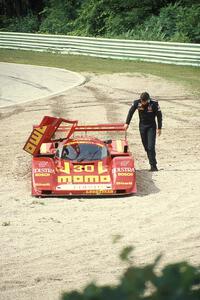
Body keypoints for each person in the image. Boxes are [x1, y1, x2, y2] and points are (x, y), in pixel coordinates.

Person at [124, 92, 162, 171]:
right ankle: (151, 161)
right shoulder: (137, 103)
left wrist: (159, 128)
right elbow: (130, 112)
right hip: (142, 126)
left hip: (151, 126)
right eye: (142, 101)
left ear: (148, 100)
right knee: (146, 147)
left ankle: (153, 166)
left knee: (151, 147)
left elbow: (159, 115)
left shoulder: (154, 104)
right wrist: (127, 123)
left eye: (144, 101)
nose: (143, 102)